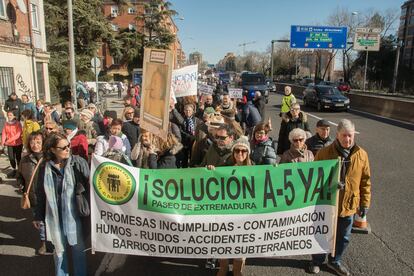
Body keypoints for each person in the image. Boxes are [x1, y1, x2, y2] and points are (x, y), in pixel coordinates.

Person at [309, 119, 371, 276]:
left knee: (343, 237)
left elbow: (365, 181)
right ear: (337, 135)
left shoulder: (361, 155)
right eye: (344, 135)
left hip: (348, 205)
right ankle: (317, 261)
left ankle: (335, 261)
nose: (347, 139)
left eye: (350, 136)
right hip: (327, 204)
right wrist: (330, 184)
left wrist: (364, 203)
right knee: (321, 234)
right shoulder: (324, 153)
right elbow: (314, 178)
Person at [34, 133, 88, 276]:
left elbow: (89, 185)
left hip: (75, 215)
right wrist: (38, 216)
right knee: (59, 251)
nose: (67, 149)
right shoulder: (45, 167)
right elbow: (40, 193)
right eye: (63, 147)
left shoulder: (78, 163)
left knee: (78, 250)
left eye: (68, 145)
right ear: (52, 150)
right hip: (54, 217)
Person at [214, 137, 250, 276]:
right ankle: (223, 268)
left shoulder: (256, 170)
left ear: (247, 153)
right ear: (233, 152)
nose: (240, 153)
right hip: (227, 213)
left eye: (243, 151)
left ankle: (237, 270)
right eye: (237, 150)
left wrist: (274, 170)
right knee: (224, 241)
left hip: (244, 214)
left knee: (241, 243)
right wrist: (211, 170)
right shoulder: (225, 168)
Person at [16, 131, 51, 255]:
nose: (35, 144)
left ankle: (53, 241)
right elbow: (19, 176)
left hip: (49, 196)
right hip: (33, 196)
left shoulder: (49, 158)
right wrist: (21, 186)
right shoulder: (25, 159)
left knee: (50, 219)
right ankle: (44, 243)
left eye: (38, 142)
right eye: (32, 142)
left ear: (43, 143)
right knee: (40, 221)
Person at [1, 111, 23, 177]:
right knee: (11, 158)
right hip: (10, 144)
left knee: (18, 158)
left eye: (10, 115)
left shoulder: (18, 123)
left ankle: (19, 170)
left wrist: (8, 141)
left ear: (14, 116)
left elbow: (18, 134)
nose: (9, 116)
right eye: (8, 115)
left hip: (18, 143)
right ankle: (14, 169)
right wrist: (2, 142)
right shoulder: (6, 124)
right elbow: (4, 133)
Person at [180, 103, 199, 168]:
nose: (188, 112)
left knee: (192, 157)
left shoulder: (197, 120)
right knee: (184, 159)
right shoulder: (182, 119)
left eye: (189, 110)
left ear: (193, 111)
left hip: (193, 142)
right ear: (184, 111)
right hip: (184, 141)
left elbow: (199, 130)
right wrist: (188, 136)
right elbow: (180, 130)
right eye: (186, 110)